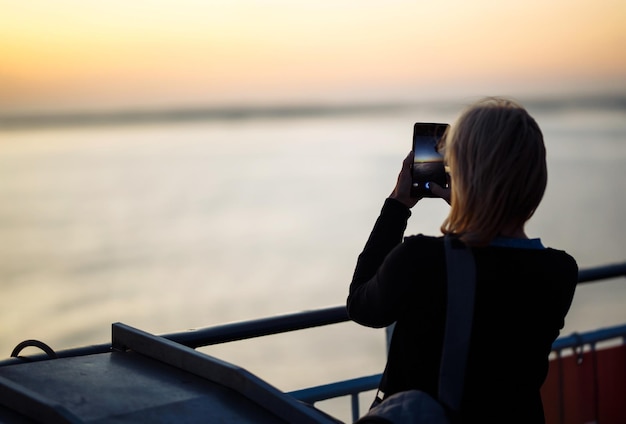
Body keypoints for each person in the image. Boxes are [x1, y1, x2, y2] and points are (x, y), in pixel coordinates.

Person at [347, 97, 578, 423]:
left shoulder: (421, 261)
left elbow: (360, 304)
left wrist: (398, 204)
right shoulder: (560, 272)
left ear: (464, 173)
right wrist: (476, 204)